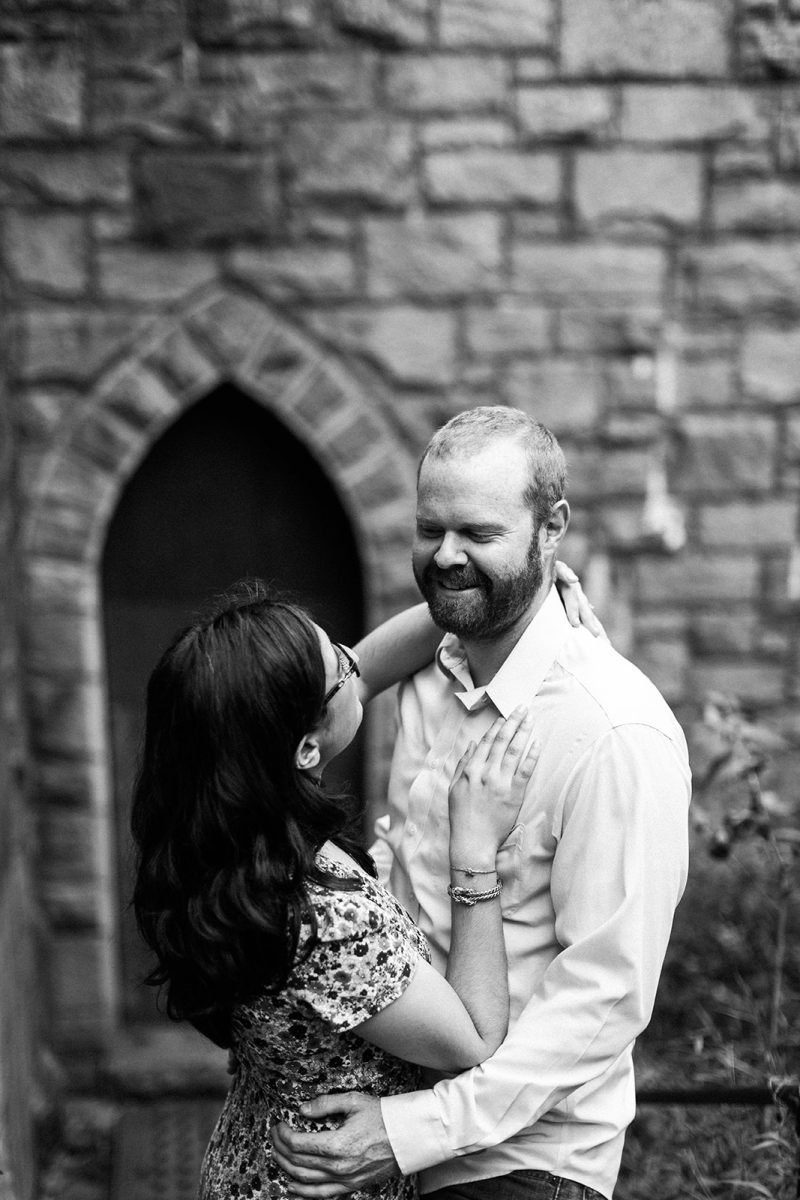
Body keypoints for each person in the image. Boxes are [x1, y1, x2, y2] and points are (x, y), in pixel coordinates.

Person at [271, 407, 692, 1200]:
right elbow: (343, 681)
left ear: (551, 528)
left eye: (479, 532)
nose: (447, 557)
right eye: (431, 529)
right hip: (386, 1124)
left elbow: (602, 1003)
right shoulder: (431, 669)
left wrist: (413, 1132)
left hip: (521, 1162)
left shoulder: (612, 735)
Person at [130, 579, 543, 1200]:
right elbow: (474, 1039)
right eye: (340, 669)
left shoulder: (226, 845)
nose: (357, 665)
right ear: (303, 749)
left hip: (249, 1166)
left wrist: (496, 598)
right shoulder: (322, 921)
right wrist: (474, 849)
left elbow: (373, 665)